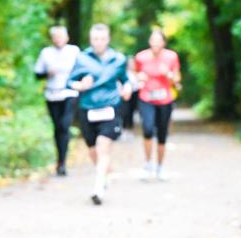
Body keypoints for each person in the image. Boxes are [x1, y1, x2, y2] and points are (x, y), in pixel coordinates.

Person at [66, 24, 132, 205]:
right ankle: (104, 176)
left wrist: (127, 88)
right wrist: (79, 85)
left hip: (111, 107)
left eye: (102, 39)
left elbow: (125, 80)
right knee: (93, 151)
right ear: (91, 39)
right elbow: (69, 82)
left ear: (108, 39)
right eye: (95, 39)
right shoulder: (82, 58)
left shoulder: (118, 59)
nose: (99, 42)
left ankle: (98, 188)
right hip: (88, 108)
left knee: (103, 146)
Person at [133, 28, 181, 181]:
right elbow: (135, 75)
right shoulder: (141, 57)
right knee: (147, 129)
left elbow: (177, 80)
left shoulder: (171, 57)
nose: (155, 43)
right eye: (153, 40)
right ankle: (148, 164)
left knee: (162, 134)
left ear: (164, 42)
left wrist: (168, 73)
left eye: (158, 40)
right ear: (149, 42)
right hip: (146, 98)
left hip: (165, 99)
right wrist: (139, 78)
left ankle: (160, 167)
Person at [33, 25, 80, 175]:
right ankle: (60, 160)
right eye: (56, 36)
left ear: (67, 38)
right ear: (52, 39)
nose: (59, 39)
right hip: (52, 94)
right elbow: (37, 74)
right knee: (57, 128)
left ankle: (63, 162)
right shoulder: (46, 53)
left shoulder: (74, 51)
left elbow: (83, 70)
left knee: (64, 125)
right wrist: (48, 73)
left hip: (69, 93)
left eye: (61, 36)